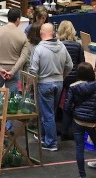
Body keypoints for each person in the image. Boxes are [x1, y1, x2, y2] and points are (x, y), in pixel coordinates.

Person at [30, 23, 73, 151]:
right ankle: (44, 136)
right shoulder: (62, 46)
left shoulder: (39, 49)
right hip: (59, 83)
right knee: (50, 112)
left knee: (47, 114)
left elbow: (33, 70)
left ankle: (51, 143)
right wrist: (62, 77)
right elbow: (70, 65)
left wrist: (34, 83)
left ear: (41, 33)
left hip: (44, 84)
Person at [0, 8, 29, 131]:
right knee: (12, 100)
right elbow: (24, 57)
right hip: (13, 73)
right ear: (18, 20)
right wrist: (13, 70)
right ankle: (8, 127)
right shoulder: (22, 36)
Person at [64, 62, 96, 178]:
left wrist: (73, 113)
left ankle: (82, 176)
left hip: (78, 120)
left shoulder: (73, 87)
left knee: (79, 148)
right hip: (93, 121)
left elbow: (67, 106)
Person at [57, 21, 85, 141]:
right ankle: (67, 130)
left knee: (58, 103)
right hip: (73, 79)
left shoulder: (58, 44)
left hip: (60, 77)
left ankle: (56, 129)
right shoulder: (78, 45)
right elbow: (81, 63)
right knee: (68, 105)